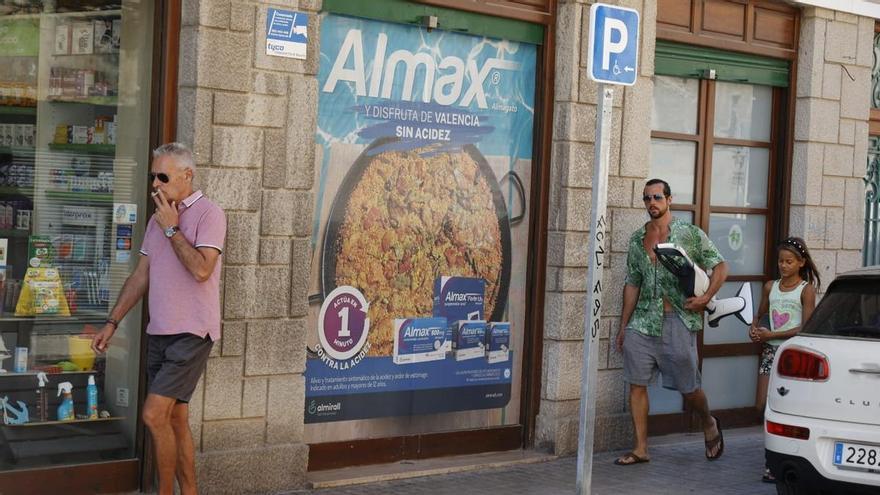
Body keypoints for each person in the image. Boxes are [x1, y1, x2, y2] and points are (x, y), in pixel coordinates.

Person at [91, 142, 226, 495]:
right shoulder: (157, 218)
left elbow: (201, 270)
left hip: (192, 332)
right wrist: (112, 322)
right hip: (160, 331)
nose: (156, 184)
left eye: (163, 177)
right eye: (153, 177)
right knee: (176, 419)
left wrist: (171, 229)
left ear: (187, 175)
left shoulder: (210, 214)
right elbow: (141, 276)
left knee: (153, 415)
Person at [614, 178, 728, 465]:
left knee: (689, 387)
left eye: (656, 197)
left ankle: (708, 421)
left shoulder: (688, 233)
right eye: (647, 198)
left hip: (677, 319)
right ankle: (641, 448)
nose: (651, 203)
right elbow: (632, 283)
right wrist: (622, 326)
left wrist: (706, 298)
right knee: (636, 384)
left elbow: (720, 266)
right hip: (642, 322)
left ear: (668, 199)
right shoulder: (637, 240)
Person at [750, 236, 818, 482]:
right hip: (770, 352)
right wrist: (755, 328)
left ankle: (774, 465)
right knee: (762, 406)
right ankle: (773, 455)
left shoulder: (806, 289)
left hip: (792, 356)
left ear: (801, 263)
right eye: (781, 261)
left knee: (786, 409)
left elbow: (805, 327)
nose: (784, 266)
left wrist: (774, 334)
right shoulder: (770, 286)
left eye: (789, 261)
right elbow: (760, 314)